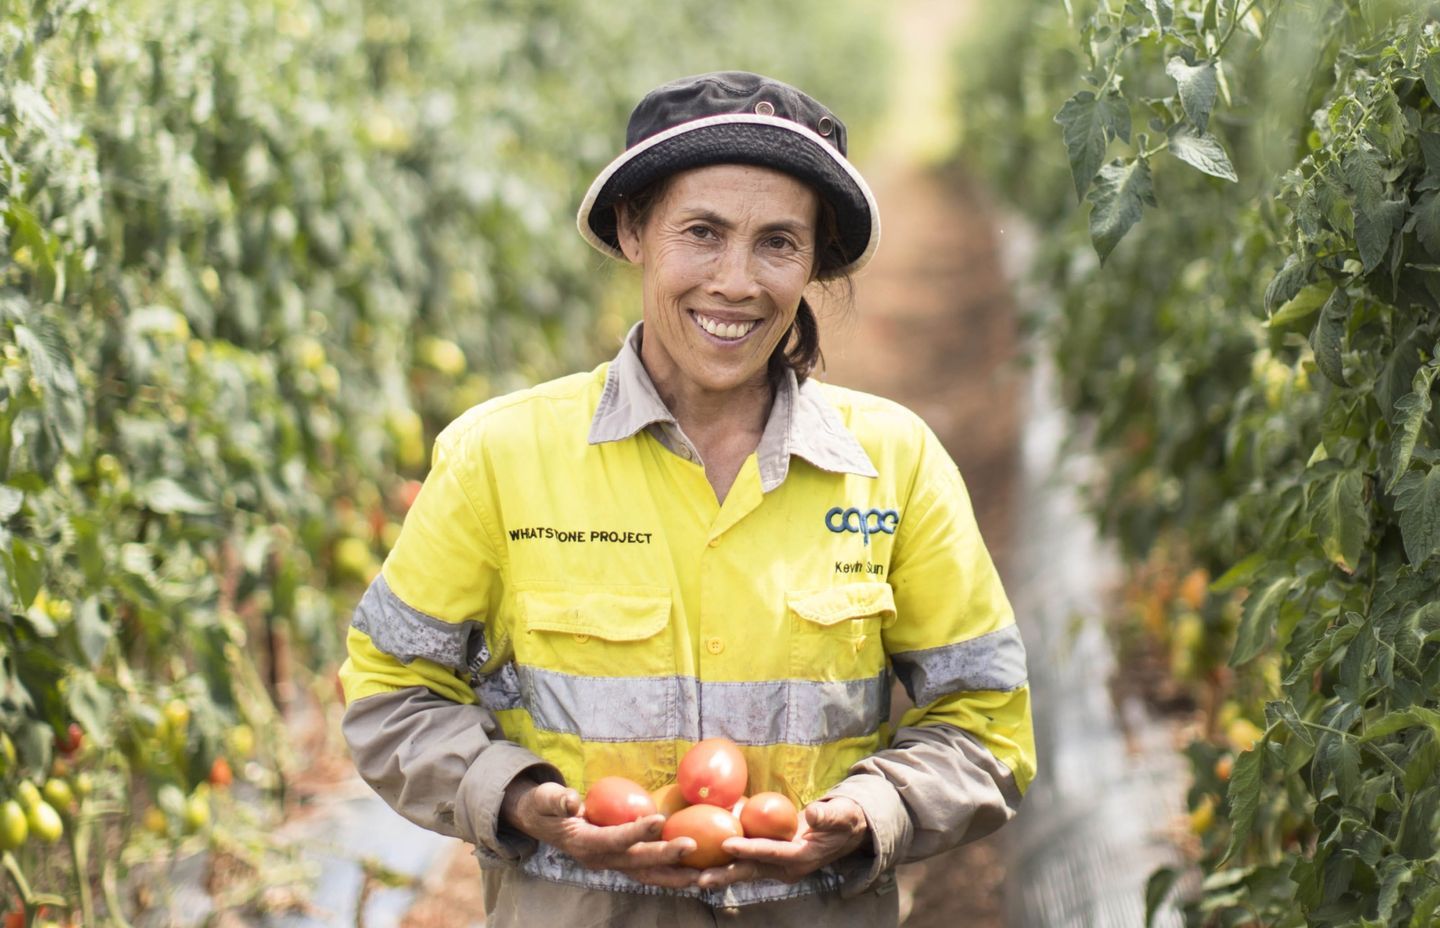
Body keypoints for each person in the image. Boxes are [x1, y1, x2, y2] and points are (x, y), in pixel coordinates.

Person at [339, 71, 1035, 927]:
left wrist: (872, 813)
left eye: (778, 243)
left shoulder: (893, 465)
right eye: (702, 232)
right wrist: (513, 796)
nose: (736, 282)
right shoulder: (501, 458)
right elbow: (388, 690)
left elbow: (986, 720)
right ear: (634, 231)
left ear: (813, 260)